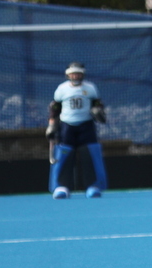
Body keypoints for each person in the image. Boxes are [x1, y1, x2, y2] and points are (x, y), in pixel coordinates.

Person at [45, 62, 108, 199]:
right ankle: (61, 187)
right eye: (73, 73)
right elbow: (55, 108)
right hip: (67, 126)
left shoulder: (90, 88)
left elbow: (97, 104)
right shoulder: (62, 89)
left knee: (89, 155)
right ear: (68, 75)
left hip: (86, 126)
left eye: (78, 73)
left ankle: (93, 186)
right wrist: (51, 125)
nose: (76, 75)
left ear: (82, 74)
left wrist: (99, 111)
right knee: (63, 155)